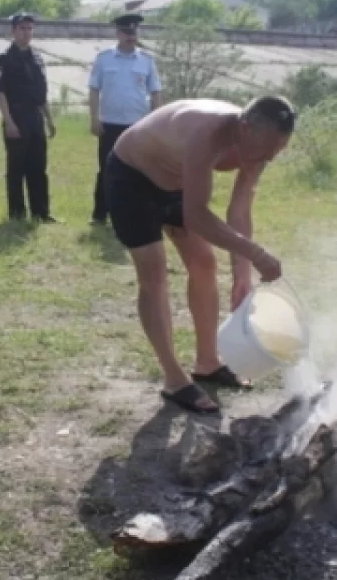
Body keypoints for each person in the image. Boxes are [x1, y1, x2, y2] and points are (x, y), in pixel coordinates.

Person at [104, 95, 296, 414]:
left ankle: (207, 363)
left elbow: (239, 210)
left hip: (176, 184)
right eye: (266, 150)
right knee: (154, 273)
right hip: (131, 179)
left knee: (204, 263)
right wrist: (258, 254)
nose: (268, 158)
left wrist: (243, 274)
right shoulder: (206, 131)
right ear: (245, 128)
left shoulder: (261, 146)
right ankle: (174, 379)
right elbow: (197, 216)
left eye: (276, 151)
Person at [88, 13, 162, 226]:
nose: (131, 36)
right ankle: (100, 214)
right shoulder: (104, 59)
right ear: (118, 33)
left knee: (137, 170)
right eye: (127, 32)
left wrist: (156, 123)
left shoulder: (147, 60)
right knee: (107, 168)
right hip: (109, 123)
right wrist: (94, 118)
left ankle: (133, 212)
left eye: (134, 32)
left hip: (137, 126)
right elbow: (94, 90)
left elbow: (156, 92)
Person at [0, 11, 57, 222]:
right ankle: (17, 213)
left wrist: (49, 119)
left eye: (30, 28)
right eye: (22, 28)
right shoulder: (4, 59)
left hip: (35, 116)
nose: (27, 32)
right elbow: (0, 92)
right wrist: (9, 121)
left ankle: (41, 212)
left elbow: (41, 93)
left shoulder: (37, 58)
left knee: (38, 167)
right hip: (16, 116)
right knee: (16, 168)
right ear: (13, 31)